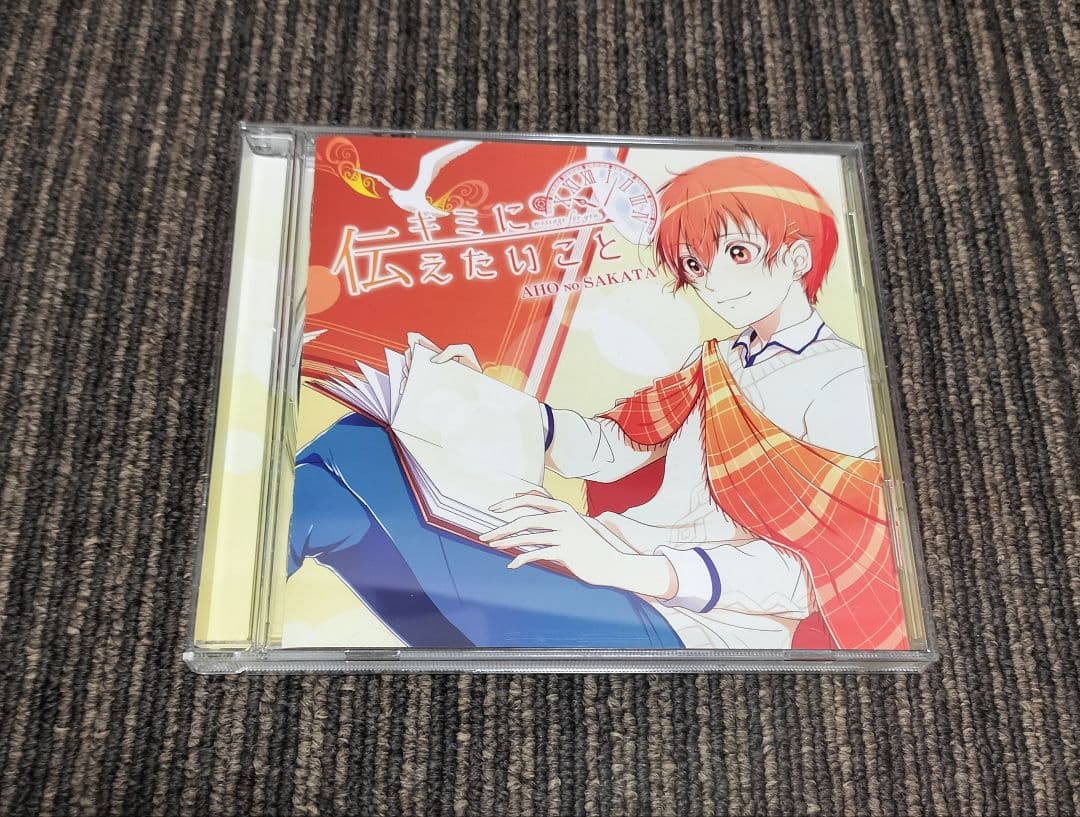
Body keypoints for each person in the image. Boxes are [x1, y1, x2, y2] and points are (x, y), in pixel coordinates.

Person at [289, 156, 907, 651]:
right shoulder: (716, 363)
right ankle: (253, 589)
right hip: (602, 561)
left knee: (347, 471)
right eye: (695, 263)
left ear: (797, 257)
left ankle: (255, 588)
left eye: (737, 253)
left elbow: (809, 573)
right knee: (363, 441)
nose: (712, 281)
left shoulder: (845, 381)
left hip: (692, 623)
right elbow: (612, 449)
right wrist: (471, 398)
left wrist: (622, 567)